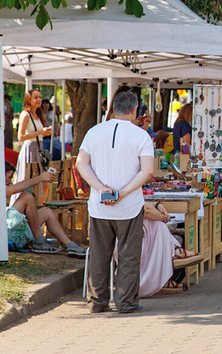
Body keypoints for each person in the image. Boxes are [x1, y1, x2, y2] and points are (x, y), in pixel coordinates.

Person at [76, 90, 155, 314]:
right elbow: (147, 171)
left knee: (99, 255)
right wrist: (123, 192)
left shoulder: (94, 131)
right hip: (129, 206)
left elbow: (81, 163)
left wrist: (100, 188)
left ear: (112, 108)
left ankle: (97, 301)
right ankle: (126, 303)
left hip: (99, 205)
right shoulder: (141, 136)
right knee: (129, 256)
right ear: (134, 110)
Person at [4, 162, 87, 257]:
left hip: (15, 235)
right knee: (27, 197)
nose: (10, 181)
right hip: (7, 236)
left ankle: (70, 245)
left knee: (46, 212)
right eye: (10, 177)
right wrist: (40, 178)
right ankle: (39, 241)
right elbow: (13, 189)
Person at [132, 201, 201, 297]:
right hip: (124, 233)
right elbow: (144, 209)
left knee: (154, 224)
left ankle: (162, 276)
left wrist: (157, 205)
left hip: (127, 228)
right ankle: (173, 251)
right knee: (156, 224)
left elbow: (139, 202)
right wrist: (163, 217)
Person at [11, 89, 52, 206]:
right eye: (36, 97)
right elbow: (20, 137)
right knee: (29, 180)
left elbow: (37, 134)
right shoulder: (25, 114)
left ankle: (38, 207)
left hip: (39, 149)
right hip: (30, 150)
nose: (39, 100)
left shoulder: (38, 115)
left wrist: (44, 133)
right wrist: (40, 132)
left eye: (40, 97)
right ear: (29, 99)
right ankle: (24, 207)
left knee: (43, 182)